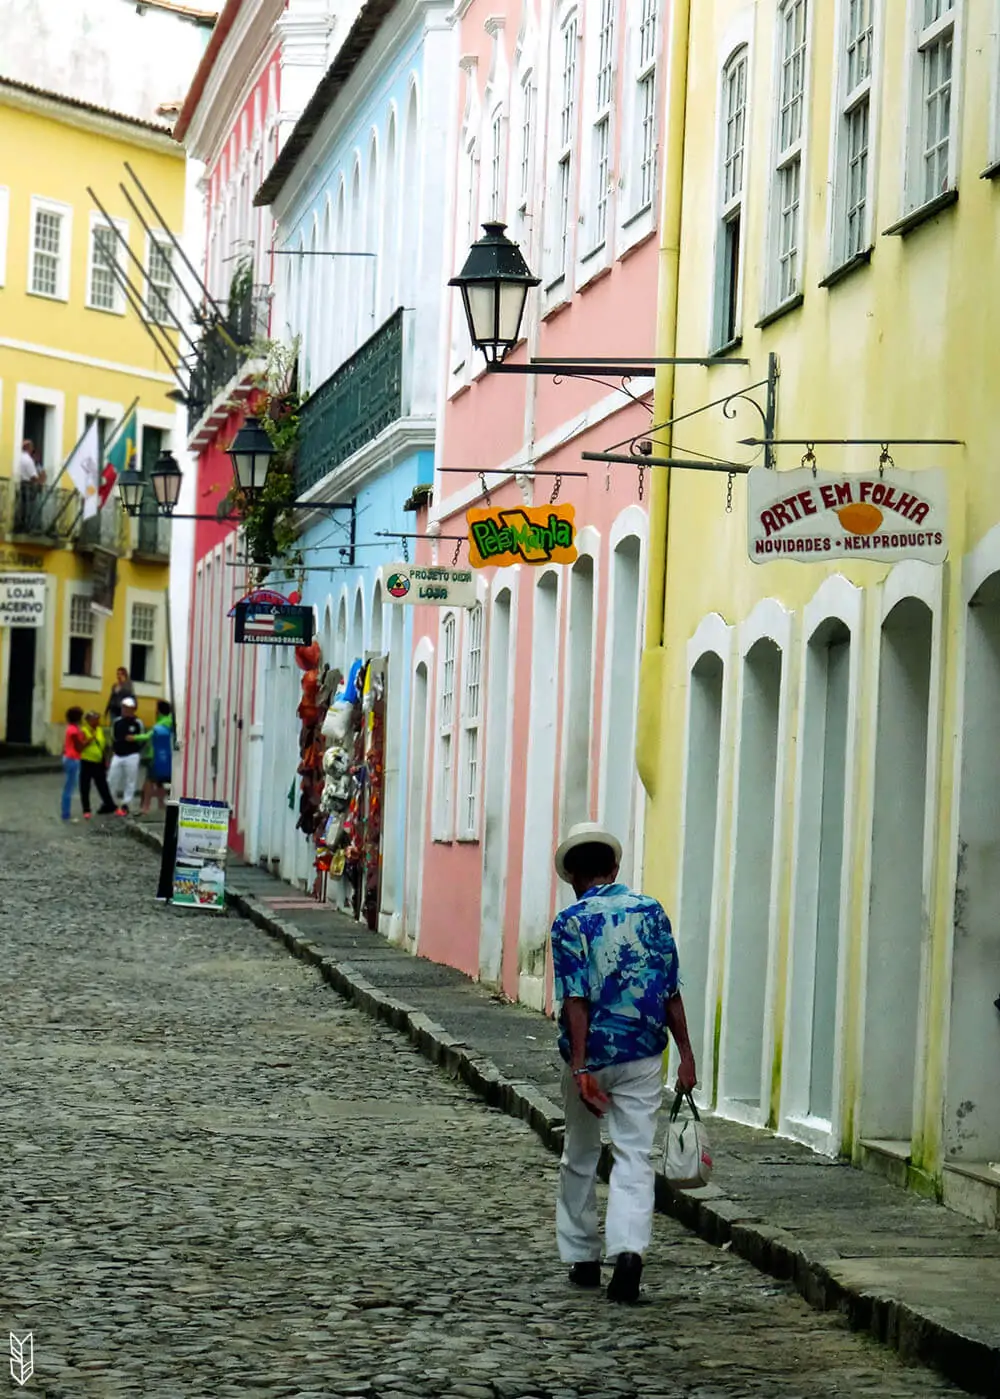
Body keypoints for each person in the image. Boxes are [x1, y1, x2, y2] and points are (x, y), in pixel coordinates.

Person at [550, 822, 697, 1305]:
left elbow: (576, 999)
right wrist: (687, 1056)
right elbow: (670, 988)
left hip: (590, 1056)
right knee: (634, 1155)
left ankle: (584, 1256)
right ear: (614, 869)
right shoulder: (651, 912)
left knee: (581, 1152)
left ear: (573, 876)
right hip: (642, 1052)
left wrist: (581, 1067)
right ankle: (629, 1252)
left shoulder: (571, 922)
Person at [108, 696, 144, 815]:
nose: (125, 710)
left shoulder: (138, 723)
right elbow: (113, 737)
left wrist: (136, 747)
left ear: (133, 709)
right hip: (118, 755)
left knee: (130, 780)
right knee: (111, 779)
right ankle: (111, 802)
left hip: (132, 755)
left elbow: (142, 738)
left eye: (128, 708)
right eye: (123, 707)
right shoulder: (117, 722)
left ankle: (126, 804)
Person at [78, 710, 116, 819]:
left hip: (99, 762)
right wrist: (89, 740)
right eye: (96, 719)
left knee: (102, 784)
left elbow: (104, 745)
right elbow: (80, 747)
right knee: (85, 786)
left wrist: (107, 759)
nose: (98, 721)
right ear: (89, 720)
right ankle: (86, 809)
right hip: (87, 761)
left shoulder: (100, 730)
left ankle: (109, 805)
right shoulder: (83, 730)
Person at [139, 701, 174, 816]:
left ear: (158, 711)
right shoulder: (170, 721)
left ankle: (146, 806)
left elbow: (147, 736)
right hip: (167, 756)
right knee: (161, 781)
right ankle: (160, 804)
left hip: (155, 756)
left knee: (149, 781)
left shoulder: (161, 724)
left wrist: (132, 737)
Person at [15, 439, 45, 532]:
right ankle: (29, 526)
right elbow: (33, 477)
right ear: (28, 448)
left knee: (24, 507)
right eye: (31, 447)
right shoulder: (28, 460)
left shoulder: (20, 458)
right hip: (28, 486)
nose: (32, 449)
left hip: (22, 485)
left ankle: (23, 524)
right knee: (29, 508)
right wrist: (40, 482)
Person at [61, 707, 86, 821]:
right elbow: (79, 747)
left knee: (69, 786)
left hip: (68, 757)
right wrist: (88, 741)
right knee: (69, 787)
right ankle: (65, 813)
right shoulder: (74, 730)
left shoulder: (72, 728)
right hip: (73, 759)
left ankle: (66, 812)